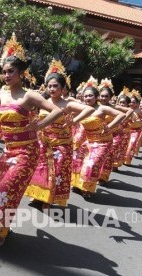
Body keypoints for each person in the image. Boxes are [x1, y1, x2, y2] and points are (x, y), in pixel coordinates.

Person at [0, 34, 63, 246]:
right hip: (9, 151)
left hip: (26, 153)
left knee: (6, 191)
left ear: (21, 73)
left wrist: (40, 125)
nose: (6, 75)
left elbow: (58, 110)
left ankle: (0, 230)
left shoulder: (29, 96)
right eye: (4, 72)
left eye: (10, 71)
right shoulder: (2, 95)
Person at [25, 60, 95, 209]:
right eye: (49, 86)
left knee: (56, 172)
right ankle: (38, 196)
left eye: (55, 86)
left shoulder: (67, 104)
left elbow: (89, 110)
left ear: (63, 88)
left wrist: (74, 120)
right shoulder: (43, 101)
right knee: (42, 169)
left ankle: (48, 200)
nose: (52, 88)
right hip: (44, 142)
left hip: (62, 145)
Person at [71, 77, 125, 199]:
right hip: (88, 140)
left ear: (96, 97)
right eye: (85, 96)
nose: (87, 98)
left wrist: (109, 127)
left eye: (90, 96)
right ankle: (78, 184)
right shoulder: (81, 108)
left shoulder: (101, 108)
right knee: (78, 161)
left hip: (103, 142)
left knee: (92, 164)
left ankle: (87, 188)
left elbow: (122, 114)